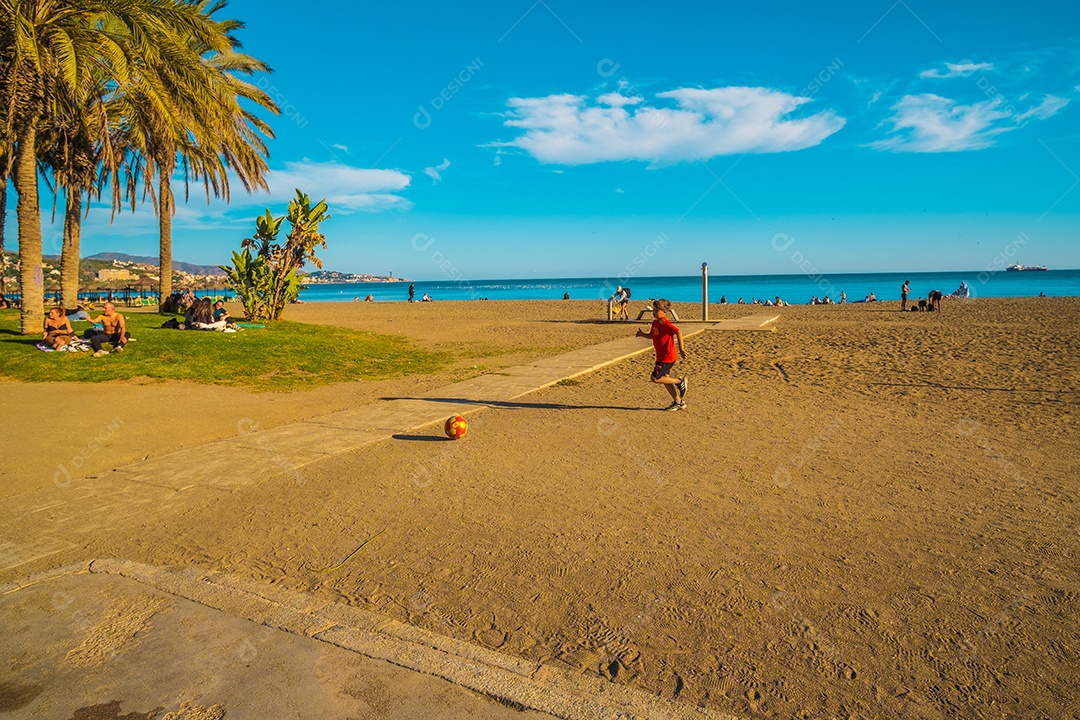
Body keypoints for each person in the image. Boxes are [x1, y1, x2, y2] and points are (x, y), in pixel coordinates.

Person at [635, 299, 688, 411]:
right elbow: (652, 336)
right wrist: (642, 334)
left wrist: (682, 349)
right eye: (653, 310)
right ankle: (678, 402)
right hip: (661, 356)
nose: (654, 312)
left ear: (664, 311)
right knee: (665, 379)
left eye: (657, 310)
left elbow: (678, 331)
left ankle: (679, 381)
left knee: (655, 378)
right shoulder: (655, 322)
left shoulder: (665, 323)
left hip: (667, 356)